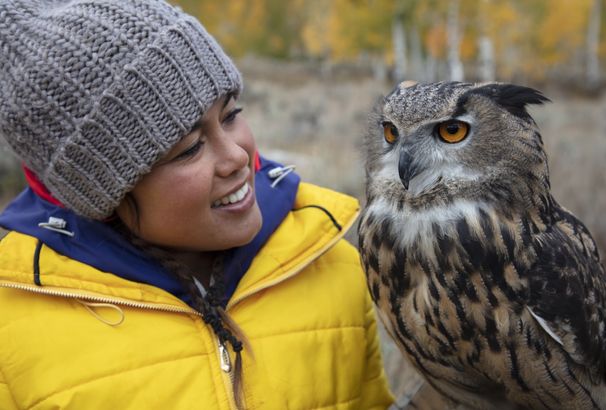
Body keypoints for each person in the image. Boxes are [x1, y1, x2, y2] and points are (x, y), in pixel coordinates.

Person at [0, 1, 394, 409]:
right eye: (189, 149)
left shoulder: (329, 262)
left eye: (231, 115)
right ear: (100, 192)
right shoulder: (13, 334)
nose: (238, 157)